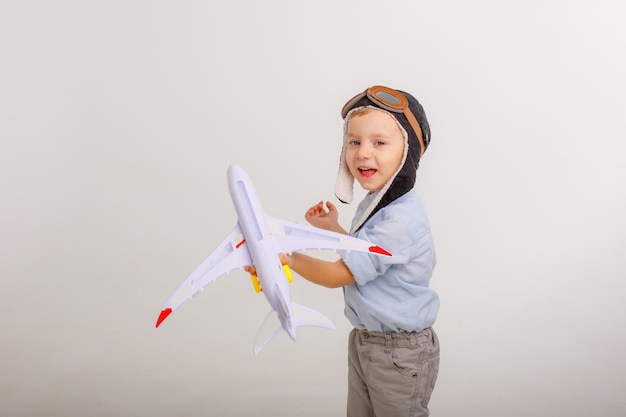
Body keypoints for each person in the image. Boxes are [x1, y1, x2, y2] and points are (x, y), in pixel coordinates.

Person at [261, 85, 440, 416]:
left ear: (408, 152)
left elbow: (340, 274)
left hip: (400, 353)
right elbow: (366, 255)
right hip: (367, 342)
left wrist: (287, 256)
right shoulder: (378, 205)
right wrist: (334, 229)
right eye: (354, 142)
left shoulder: (400, 221)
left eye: (380, 143)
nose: (362, 153)